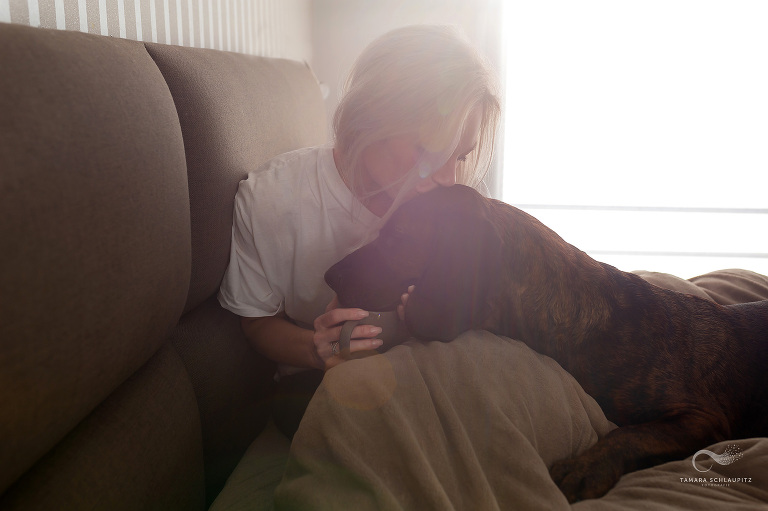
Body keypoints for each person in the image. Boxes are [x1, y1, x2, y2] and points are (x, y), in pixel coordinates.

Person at [218, 24, 501, 437]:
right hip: (324, 385)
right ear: (368, 119)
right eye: (428, 150)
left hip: (432, 372)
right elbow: (257, 323)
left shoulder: (457, 204)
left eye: (461, 155)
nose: (449, 179)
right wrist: (317, 349)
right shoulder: (273, 200)